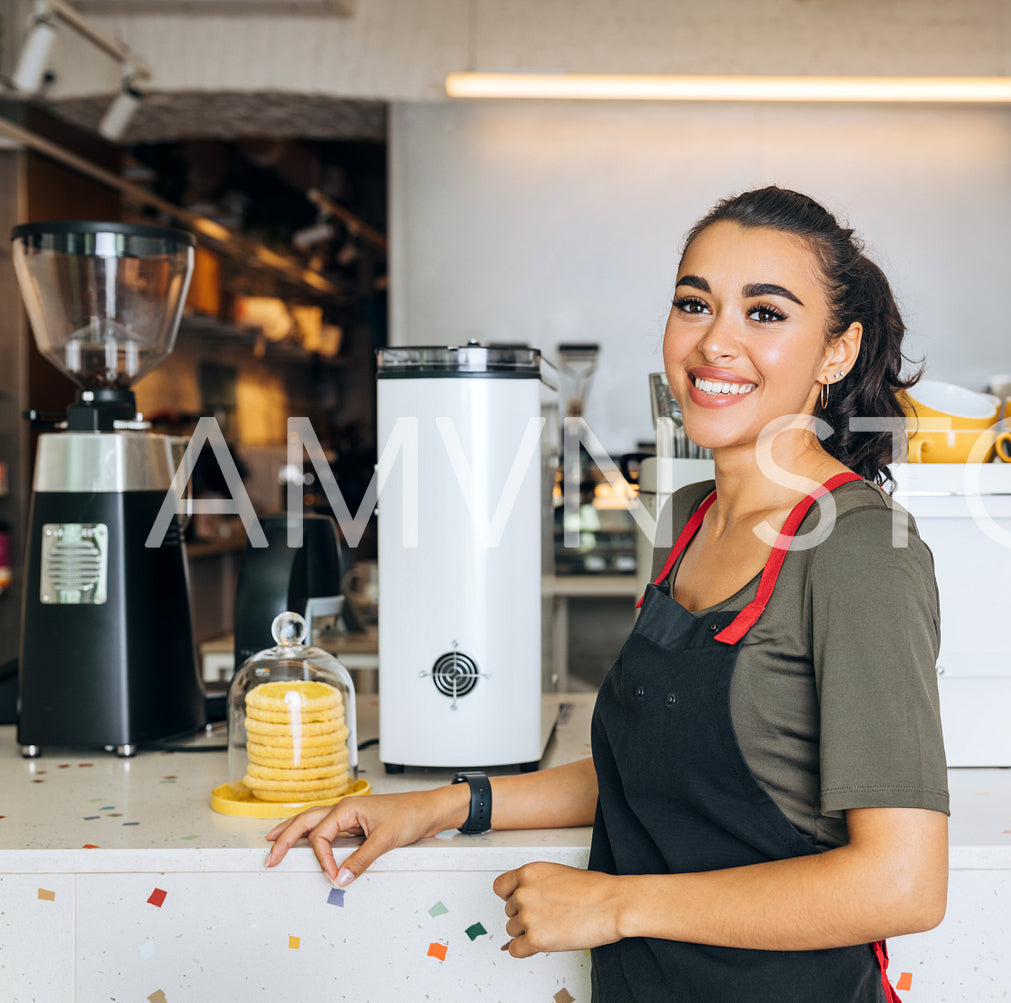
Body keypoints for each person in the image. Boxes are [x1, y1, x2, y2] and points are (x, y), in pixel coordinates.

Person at [266, 186, 949, 1002]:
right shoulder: (688, 518)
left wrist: (616, 903)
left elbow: (902, 884)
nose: (715, 342)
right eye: (694, 303)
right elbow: (652, 765)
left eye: (764, 313)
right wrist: (439, 806)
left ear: (836, 352)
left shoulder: (860, 549)